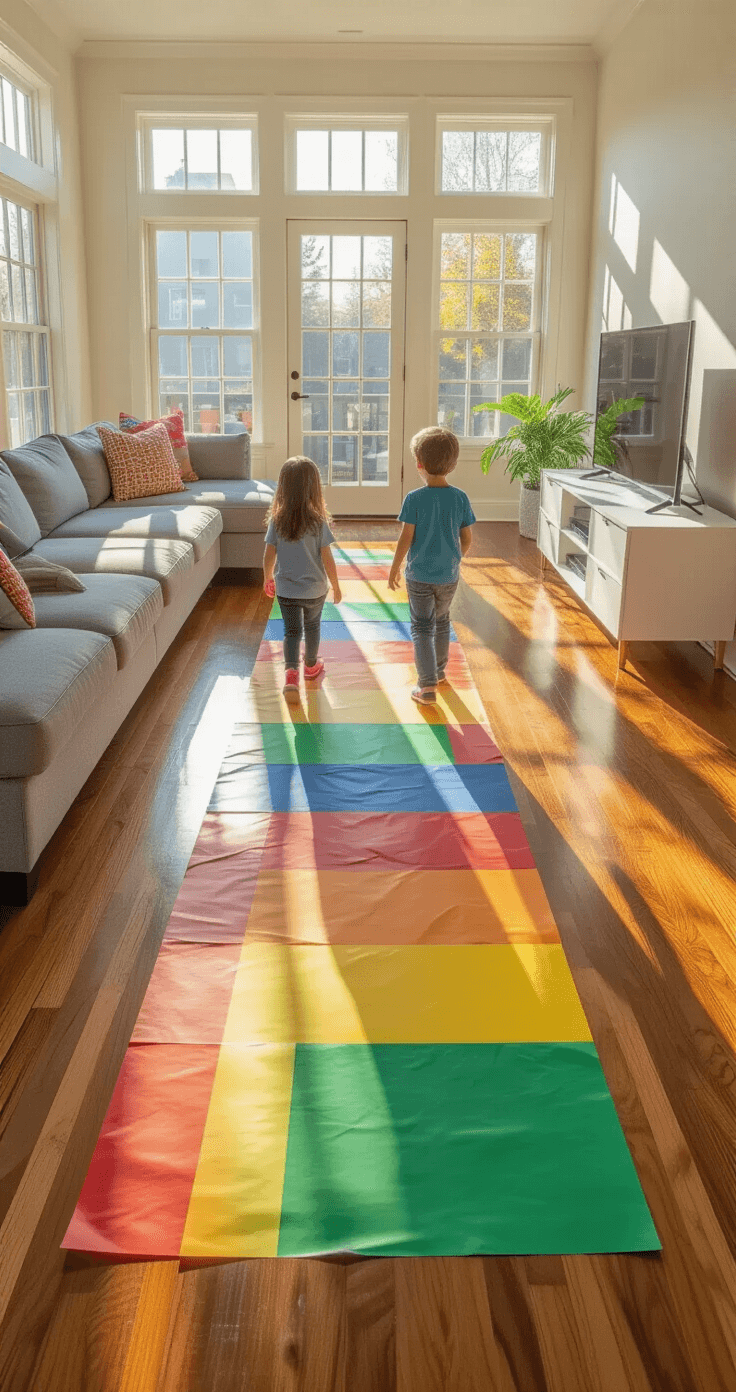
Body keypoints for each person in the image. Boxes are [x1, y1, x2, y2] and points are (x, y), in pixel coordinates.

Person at [388, 426, 475, 704]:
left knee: (421, 627)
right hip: (448, 576)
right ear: (454, 464)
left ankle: (426, 687)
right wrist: (456, 558)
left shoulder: (414, 498)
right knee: (441, 621)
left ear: (419, 464)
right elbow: (467, 538)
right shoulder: (460, 497)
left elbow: (406, 538)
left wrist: (394, 567)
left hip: (419, 576)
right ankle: (437, 673)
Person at [263, 456, 342, 703]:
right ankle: (310, 666)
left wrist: (267, 577)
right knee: (313, 626)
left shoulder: (278, 520)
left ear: (283, 487)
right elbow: (328, 558)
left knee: (291, 631)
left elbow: (269, 554)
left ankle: (290, 675)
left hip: (286, 589)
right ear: (313, 487)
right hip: (315, 590)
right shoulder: (319, 522)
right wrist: (337, 586)